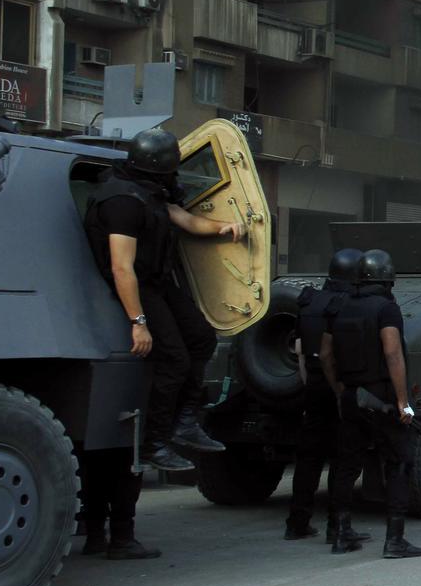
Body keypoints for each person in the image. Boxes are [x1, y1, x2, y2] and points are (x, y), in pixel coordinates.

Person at [84, 128, 246, 472]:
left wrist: (222, 227)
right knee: (175, 359)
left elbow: (184, 219)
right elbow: (121, 267)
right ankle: (155, 443)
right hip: (136, 285)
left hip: (155, 281)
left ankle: (185, 424)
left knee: (202, 339)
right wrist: (138, 323)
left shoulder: (147, 191)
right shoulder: (122, 201)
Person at [321, 249, 421, 559]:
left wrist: (340, 388)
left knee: (346, 465)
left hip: (351, 396)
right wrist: (402, 401)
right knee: (398, 462)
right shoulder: (386, 309)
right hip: (380, 396)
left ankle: (341, 534)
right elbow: (392, 353)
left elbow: (325, 353)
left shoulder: (338, 306)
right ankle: (394, 540)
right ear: (388, 279)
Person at [284, 247, 371, 545]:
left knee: (308, 457)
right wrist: (342, 392)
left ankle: (297, 522)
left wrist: (310, 383)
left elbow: (299, 350)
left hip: (313, 385)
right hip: (339, 386)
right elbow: (334, 353)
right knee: (343, 457)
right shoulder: (349, 303)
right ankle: (338, 527)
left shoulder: (309, 301)